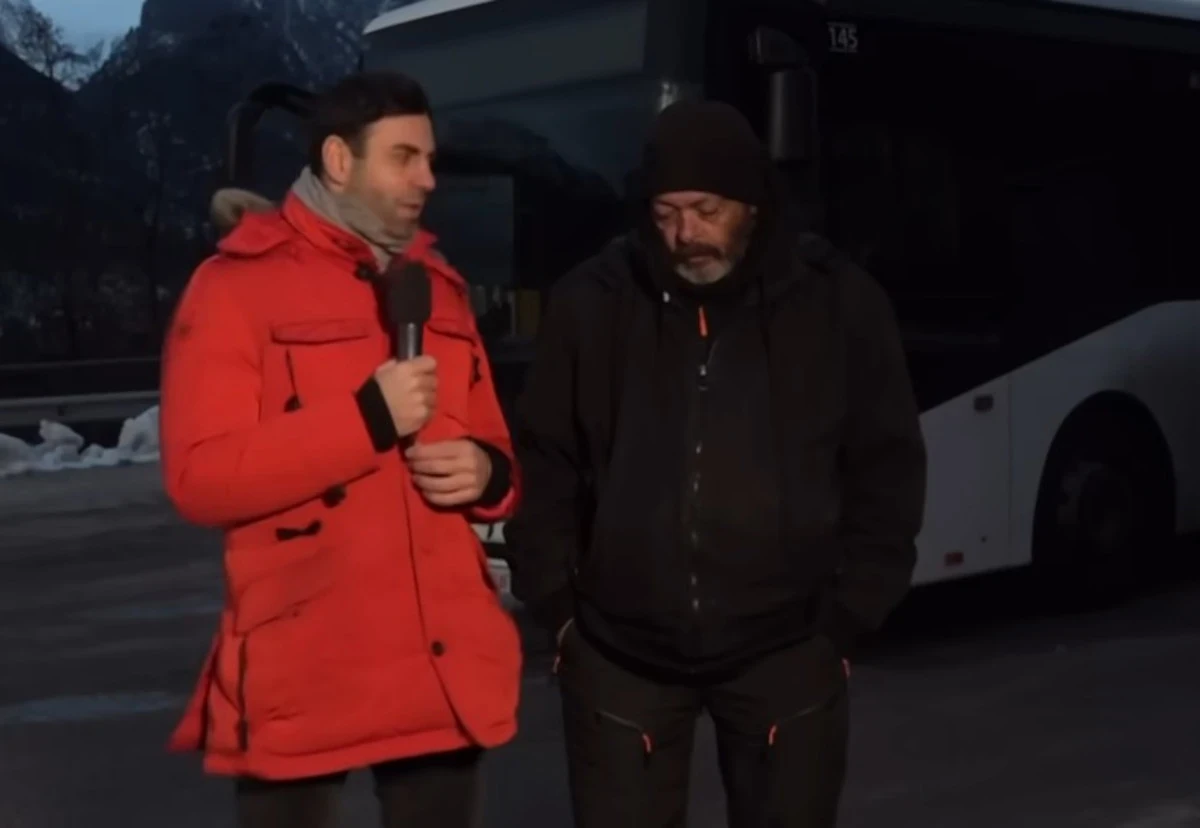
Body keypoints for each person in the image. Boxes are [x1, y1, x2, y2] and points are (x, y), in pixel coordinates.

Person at [503, 99, 927, 827]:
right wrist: (559, 611)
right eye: (666, 212)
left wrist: (850, 615)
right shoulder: (592, 304)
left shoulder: (835, 302)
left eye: (706, 210)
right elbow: (544, 463)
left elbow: (885, 466)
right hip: (618, 655)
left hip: (788, 647)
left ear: (752, 205)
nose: (686, 234)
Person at [159, 71, 522, 828]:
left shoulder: (440, 287)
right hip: (305, 669)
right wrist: (365, 422)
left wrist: (486, 473)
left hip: (443, 668)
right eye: (403, 157)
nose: (427, 179)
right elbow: (200, 478)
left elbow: (498, 452)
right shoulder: (233, 287)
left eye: (429, 159)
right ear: (337, 158)